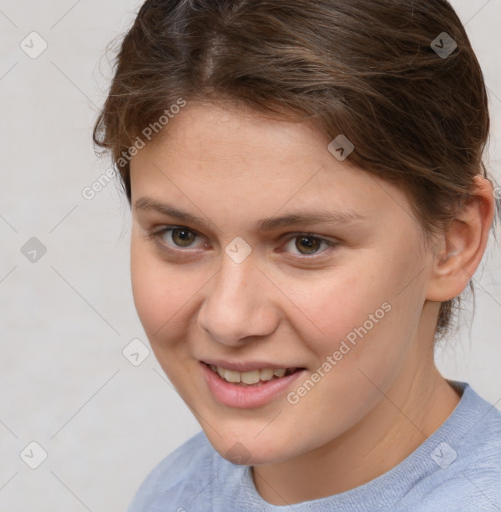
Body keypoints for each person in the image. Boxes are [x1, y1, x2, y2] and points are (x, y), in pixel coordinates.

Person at [93, 0, 501, 509]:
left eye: (306, 243)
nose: (228, 319)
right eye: (181, 235)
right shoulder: (174, 493)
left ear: (453, 243)